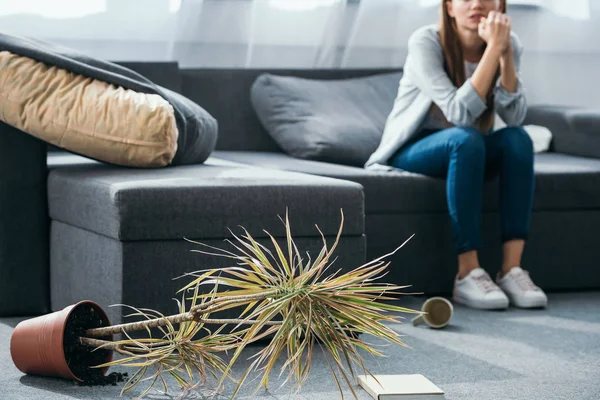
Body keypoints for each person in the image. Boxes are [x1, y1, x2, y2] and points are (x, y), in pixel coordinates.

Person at [365, 0, 547, 310]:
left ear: (500, 5)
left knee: (518, 139)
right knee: (466, 138)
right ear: (449, 7)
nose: (477, 3)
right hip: (413, 149)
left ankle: (511, 270)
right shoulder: (425, 41)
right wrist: (494, 50)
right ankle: (467, 273)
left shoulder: (509, 43)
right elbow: (459, 113)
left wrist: (505, 53)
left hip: (469, 147)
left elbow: (515, 118)